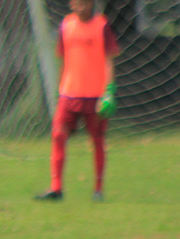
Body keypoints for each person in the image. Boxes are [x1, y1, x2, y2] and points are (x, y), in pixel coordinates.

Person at [36, 0, 120, 203]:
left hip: (95, 95)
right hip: (69, 94)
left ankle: (98, 189)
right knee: (58, 135)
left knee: (97, 140)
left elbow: (109, 60)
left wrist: (108, 91)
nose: (78, 6)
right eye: (75, 2)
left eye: (82, 2)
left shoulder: (101, 26)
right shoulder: (66, 25)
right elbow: (63, 60)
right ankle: (56, 188)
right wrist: (59, 90)